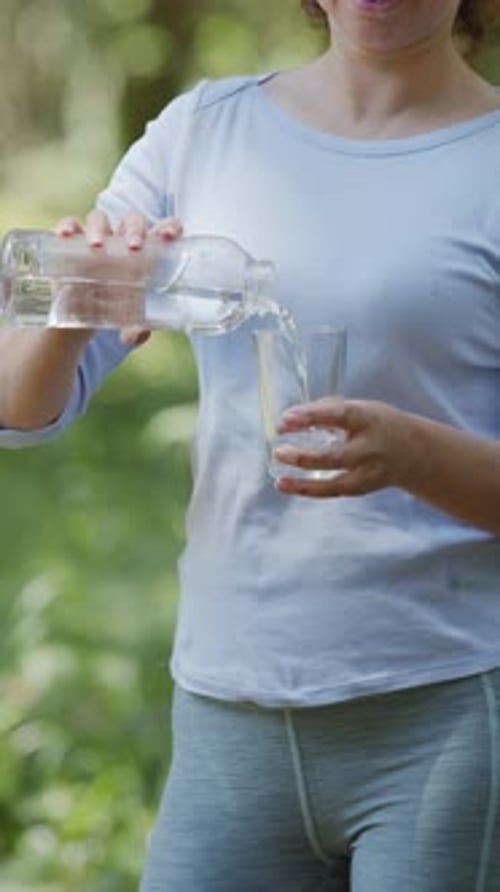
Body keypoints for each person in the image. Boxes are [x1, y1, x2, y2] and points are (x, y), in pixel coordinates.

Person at [1, 0, 500, 888]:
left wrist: (415, 456)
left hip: (448, 713)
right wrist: (79, 302)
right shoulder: (202, 130)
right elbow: (19, 405)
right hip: (227, 710)